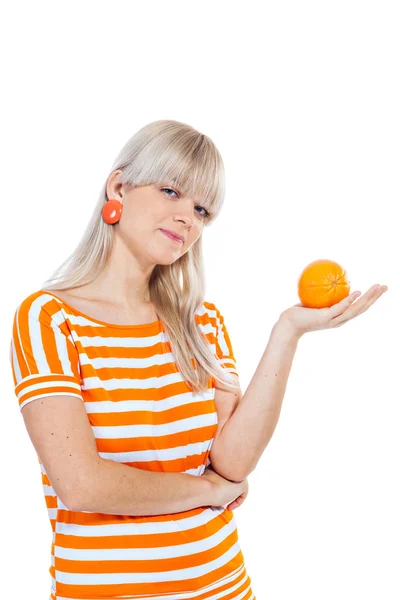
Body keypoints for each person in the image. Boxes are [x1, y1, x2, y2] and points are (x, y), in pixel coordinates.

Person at [9, 119, 387, 600]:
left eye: (202, 208)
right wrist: (205, 492)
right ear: (119, 186)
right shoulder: (48, 318)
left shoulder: (201, 323)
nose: (188, 218)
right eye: (171, 190)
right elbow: (81, 485)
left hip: (222, 586)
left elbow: (231, 466)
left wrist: (287, 332)